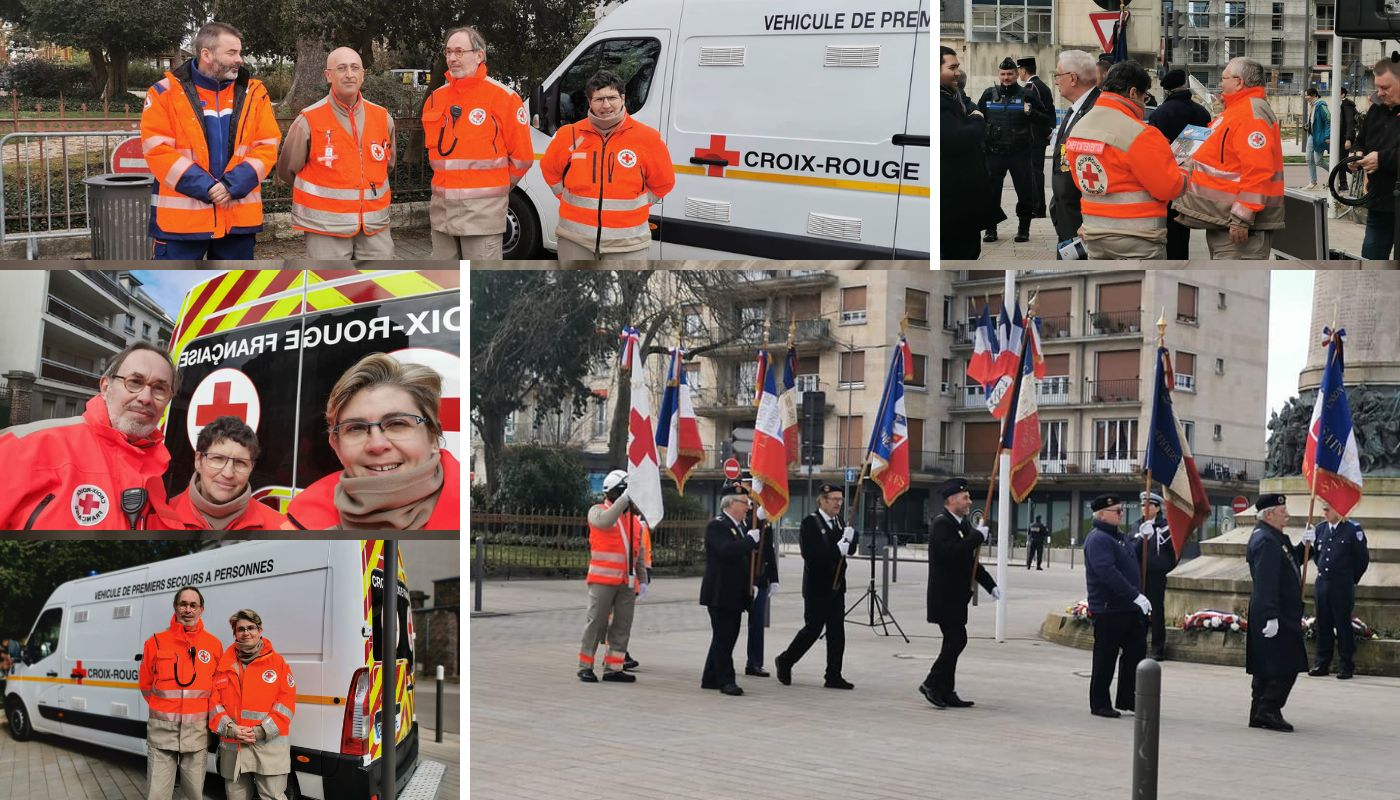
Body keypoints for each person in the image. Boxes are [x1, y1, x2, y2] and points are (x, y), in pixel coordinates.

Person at [140, 22, 280, 260]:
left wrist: (230, 186)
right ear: (206, 54)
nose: (240, 59)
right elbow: (157, 150)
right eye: (232, 53)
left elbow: (267, 145)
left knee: (234, 292)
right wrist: (207, 187)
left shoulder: (255, 93)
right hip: (182, 224)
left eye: (239, 52)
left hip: (237, 220)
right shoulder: (164, 92)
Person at [0, 342, 175, 529]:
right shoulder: (23, 446)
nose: (146, 397)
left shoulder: (160, 465)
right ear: (106, 387)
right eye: (135, 382)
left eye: (159, 389)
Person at [283, 353, 459, 530]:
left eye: (397, 423)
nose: (377, 445)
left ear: (434, 437)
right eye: (356, 428)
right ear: (335, 444)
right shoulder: (293, 528)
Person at [541, 70, 676, 263]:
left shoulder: (647, 138)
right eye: (599, 99)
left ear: (622, 98)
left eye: (612, 97)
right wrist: (567, 196)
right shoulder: (568, 135)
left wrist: (638, 204)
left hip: (628, 244)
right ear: (590, 102)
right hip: (575, 241)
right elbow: (550, 169)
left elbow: (664, 181)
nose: (606, 105)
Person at [276, 47, 396, 259]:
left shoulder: (383, 117)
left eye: (354, 68)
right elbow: (287, 171)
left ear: (363, 74)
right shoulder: (309, 120)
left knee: (378, 288)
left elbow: (387, 165)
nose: (349, 74)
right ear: (328, 75)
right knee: (330, 287)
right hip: (326, 228)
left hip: (375, 227)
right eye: (341, 68)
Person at [423, 26, 531, 260]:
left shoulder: (504, 98)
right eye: (448, 52)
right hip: (442, 214)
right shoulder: (435, 99)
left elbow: (523, 158)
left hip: (483, 217)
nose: (452, 58)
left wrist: (494, 189)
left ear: (479, 55)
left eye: (460, 51)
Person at [1065, 61, 1188, 259]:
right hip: (1137, 237)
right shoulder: (1140, 133)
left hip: (1094, 235)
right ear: (1132, 93)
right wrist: (1184, 170)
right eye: (1144, 95)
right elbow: (1168, 188)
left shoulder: (1079, 129)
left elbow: (1080, 181)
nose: (1144, 101)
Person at [1176, 57, 1284, 259]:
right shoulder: (1237, 111)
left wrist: (1242, 217)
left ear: (1239, 81)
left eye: (1224, 78)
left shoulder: (1250, 114)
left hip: (1241, 230)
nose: (1220, 83)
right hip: (1226, 222)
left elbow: (1259, 170)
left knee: (1236, 286)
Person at [920, 478, 999, 709]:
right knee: (957, 640)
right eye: (965, 497)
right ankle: (932, 683)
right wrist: (977, 536)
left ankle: (946, 690)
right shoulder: (942, 524)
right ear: (951, 500)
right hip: (944, 596)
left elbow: (970, 562)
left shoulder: (962, 524)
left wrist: (990, 585)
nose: (969, 501)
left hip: (956, 597)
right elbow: (950, 553)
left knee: (952, 641)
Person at [140, 587, 223, 800]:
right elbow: (146, 685)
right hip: (162, 734)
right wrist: (166, 710)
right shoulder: (155, 642)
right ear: (175, 607)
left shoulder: (213, 645)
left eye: (193, 605)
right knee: (156, 795)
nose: (188, 609)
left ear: (201, 609)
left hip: (196, 734)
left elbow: (216, 690)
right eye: (183, 604)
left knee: (195, 794)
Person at [774, 483, 856, 690]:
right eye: (834, 499)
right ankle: (785, 660)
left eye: (840, 499)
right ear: (822, 500)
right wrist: (838, 549)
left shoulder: (839, 521)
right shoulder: (810, 523)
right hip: (817, 588)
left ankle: (833, 675)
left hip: (837, 587)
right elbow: (811, 556)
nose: (839, 503)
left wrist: (851, 538)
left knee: (837, 632)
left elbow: (849, 550)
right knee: (812, 629)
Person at [209, 609, 295, 800]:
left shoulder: (278, 663)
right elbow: (214, 704)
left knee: (272, 796)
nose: (246, 632)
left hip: (268, 747)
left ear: (260, 630)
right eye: (241, 629)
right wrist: (231, 729)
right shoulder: (224, 665)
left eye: (251, 628)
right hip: (234, 747)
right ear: (235, 634)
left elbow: (286, 705)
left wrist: (260, 731)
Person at [577, 469, 648, 683]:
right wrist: (624, 500)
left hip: (626, 582)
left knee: (622, 626)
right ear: (618, 492)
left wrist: (643, 579)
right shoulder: (597, 511)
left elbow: (639, 553)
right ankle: (585, 666)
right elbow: (606, 521)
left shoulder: (634, 521)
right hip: (602, 581)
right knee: (596, 623)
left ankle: (613, 668)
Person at [1083, 494, 1151, 718]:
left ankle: (1128, 698)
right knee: (1105, 657)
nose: (1121, 514)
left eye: (1122, 510)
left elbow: (1128, 556)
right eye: (1117, 511)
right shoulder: (1098, 538)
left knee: (1135, 653)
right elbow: (1107, 572)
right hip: (1109, 608)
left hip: (1127, 608)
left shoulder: (1117, 536)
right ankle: (1100, 703)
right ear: (1102, 514)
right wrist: (1135, 595)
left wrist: (1141, 538)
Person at [1245, 493, 1307, 731]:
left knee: (1267, 664)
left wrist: (1305, 547)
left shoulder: (1274, 536)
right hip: (1274, 612)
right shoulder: (1266, 541)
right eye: (1283, 512)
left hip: (1277, 610)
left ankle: (1259, 711)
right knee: (1288, 663)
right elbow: (1266, 581)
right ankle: (1269, 708)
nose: (1287, 515)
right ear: (1269, 514)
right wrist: (1271, 615)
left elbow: (1290, 562)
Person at [163, 416, 288, 530]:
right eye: (217, 459)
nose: (228, 474)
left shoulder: (279, 527)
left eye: (240, 462)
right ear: (198, 461)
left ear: (251, 468)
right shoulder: (161, 518)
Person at [978, 57, 1053, 243]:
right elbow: (978, 118)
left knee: (1024, 192)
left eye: (1010, 74)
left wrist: (1031, 112)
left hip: (1020, 153)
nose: (1006, 77)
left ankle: (1023, 228)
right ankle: (990, 229)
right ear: (999, 74)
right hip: (994, 153)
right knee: (991, 193)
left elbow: (1047, 119)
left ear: (1016, 74)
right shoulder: (988, 94)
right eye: (1003, 74)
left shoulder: (1027, 94)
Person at [940, 46, 1002, 259]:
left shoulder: (952, 94)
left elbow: (970, 105)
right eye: (953, 67)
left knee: (969, 249)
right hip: (953, 202)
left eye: (958, 67)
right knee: (959, 251)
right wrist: (977, 119)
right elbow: (960, 137)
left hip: (965, 200)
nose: (958, 72)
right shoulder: (939, 100)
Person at [699, 493, 760, 696]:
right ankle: (726, 680)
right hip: (720, 593)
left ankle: (710, 677)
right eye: (745, 503)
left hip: (733, 593)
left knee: (723, 637)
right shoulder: (718, 525)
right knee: (725, 637)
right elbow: (726, 551)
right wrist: (750, 541)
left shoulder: (739, 526)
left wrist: (752, 584)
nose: (748, 508)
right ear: (731, 504)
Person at [1148, 69, 1211, 259]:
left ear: (1166, 90)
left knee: (1167, 231)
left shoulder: (1160, 114)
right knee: (1183, 230)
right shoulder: (1202, 112)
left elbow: (1152, 150)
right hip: (1193, 179)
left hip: (1167, 180)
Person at [1305, 502, 1370, 680]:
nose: (1323, 513)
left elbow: (1362, 559)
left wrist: (1350, 579)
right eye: (1323, 509)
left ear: (1338, 509)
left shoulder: (1352, 529)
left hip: (1342, 585)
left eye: (1327, 509)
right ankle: (1322, 662)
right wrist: (1306, 543)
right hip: (1323, 584)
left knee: (1343, 625)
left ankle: (1346, 664)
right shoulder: (1320, 529)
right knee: (1323, 623)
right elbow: (1317, 556)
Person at [1050, 50, 1102, 256]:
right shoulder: (1077, 109)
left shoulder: (1096, 111)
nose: (1056, 81)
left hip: (1082, 221)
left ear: (1072, 78)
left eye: (1058, 75)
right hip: (1067, 215)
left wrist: (1090, 221)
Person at [1351, 55, 1400, 259]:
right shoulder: (1377, 109)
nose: (1379, 93)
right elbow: (1361, 140)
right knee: (1370, 262)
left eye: (1386, 87)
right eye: (1378, 87)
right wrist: (1356, 154)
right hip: (1379, 203)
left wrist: (1382, 159)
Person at [736, 480, 780, 680]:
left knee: (757, 623)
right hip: (740, 579)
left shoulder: (761, 517)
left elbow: (767, 548)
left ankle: (754, 663)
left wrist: (774, 578)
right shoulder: (737, 518)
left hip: (760, 577)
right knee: (731, 625)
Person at [1134, 491, 1177, 661]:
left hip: (1156, 576)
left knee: (1156, 612)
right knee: (1139, 611)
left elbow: (1173, 552)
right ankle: (1139, 644)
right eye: (1142, 505)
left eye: (1147, 505)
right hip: (1139, 574)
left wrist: (1164, 567)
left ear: (1157, 508)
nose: (1143, 508)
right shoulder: (1136, 525)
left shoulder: (1166, 526)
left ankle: (1157, 648)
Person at [1018, 56, 1055, 219]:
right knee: (1037, 172)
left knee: (1034, 173)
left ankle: (1037, 207)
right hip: (1041, 135)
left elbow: (1029, 113)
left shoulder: (1030, 87)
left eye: (1019, 70)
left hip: (1033, 136)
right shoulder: (1043, 86)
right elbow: (1051, 111)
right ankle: (1038, 206)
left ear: (1023, 71)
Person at [1304, 87, 1331, 190]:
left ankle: (1334, 172)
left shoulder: (1321, 105)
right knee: (1308, 159)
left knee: (1318, 161)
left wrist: (1327, 136)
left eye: (1307, 95)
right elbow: (1314, 121)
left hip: (1319, 136)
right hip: (1311, 135)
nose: (1306, 97)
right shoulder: (1312, 105)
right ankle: (1313, 182)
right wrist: (1307, 126)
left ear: (1314, 95)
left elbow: (1328, 118)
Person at [1338, 87, 1357, 191]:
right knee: (1340, 161)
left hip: (1345, 138)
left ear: (1343, 94)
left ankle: (1359, 175)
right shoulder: (1339, 105)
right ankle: (1343, 184)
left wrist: (1348, 138)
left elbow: (1350, 122)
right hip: (1340, 137)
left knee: (1343, 161)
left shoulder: (1347, 105)